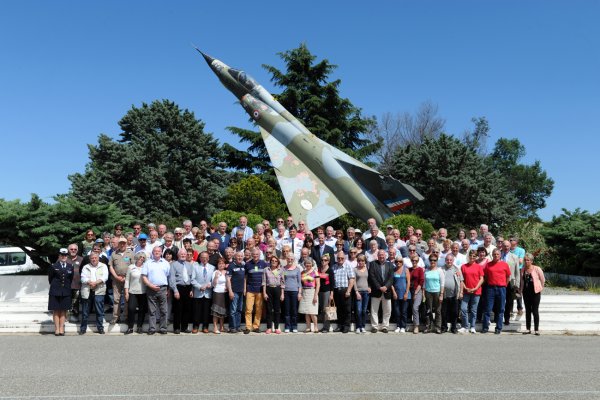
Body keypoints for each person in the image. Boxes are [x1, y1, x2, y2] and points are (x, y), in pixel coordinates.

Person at [141, 246, 170, 335]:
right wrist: (150, 285)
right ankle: (152, 328)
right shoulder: (147, 263)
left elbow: (168, 277)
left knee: (164, 310)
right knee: (152, 310)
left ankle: (163, 328)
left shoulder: (165, 263)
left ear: (161, 252)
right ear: (152, 252)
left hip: (163, 288)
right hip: (151, 288)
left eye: (159, 251)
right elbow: (144, 276)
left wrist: (168, 289)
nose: (157, 252)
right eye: (155, 251)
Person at [482, 249, 511, 334]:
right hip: (490, 288)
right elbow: (486, 276)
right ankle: (485, 327)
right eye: (494, 254)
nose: (496, 256)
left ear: (500, 255)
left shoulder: (504, 265)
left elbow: (508, 277)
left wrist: (504, 285)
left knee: (500, 309)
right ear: (492, 255)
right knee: (488, 309)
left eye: (498, 254)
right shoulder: (488, 265)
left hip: (501, 288)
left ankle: (498, 328)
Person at [79, 252, 109, 335]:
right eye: (92, 258)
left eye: (95, 258)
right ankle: (83, 328)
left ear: (98, 258)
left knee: (99, 311)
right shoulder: (86, 267)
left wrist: (95, 283)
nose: (94, 259)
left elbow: (105, 277)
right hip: (87, 291)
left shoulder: (103, 266)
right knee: (85, 312)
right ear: (90, 259)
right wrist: (89, 282)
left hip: (99, 290)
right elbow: (82, 278)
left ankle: (100, 328)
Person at [108, 237, 135, 324]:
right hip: (116, 279)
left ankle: (126, 316)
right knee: (116, 299)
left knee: (127, 298)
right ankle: (116, 317)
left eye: (124, 243)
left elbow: (133, 267)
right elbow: (111, 266)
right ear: (118, 244)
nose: (122, 245)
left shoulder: (131, 253)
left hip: (127, 279)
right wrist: (116, 276)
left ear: (126, 244)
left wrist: (126, 277)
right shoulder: (113, 254)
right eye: (121, 243)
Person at [48, 248, 73, 336]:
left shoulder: (70, 266)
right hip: (55, 291)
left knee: (63, 310)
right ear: (59, 256)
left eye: (65, 255)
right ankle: (57, 328)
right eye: (62, 255)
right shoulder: (53, 266)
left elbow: (70, 278)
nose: (63, 257)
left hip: (66, 291)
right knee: (56, 310)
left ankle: (61, 328)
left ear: (67, 256)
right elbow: (50, 279)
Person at [459, 249, 485, 334]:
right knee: (463, 308)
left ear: (476, 257)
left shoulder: (479, 267)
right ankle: (465, 326)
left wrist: (475, 288)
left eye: (474, 256)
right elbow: (461, 279)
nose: (472, 257)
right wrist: (465, 288)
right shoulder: (463, 266)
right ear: (468, 256)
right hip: (466, 291)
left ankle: (473, 326)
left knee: (473, 310)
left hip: (476, 291)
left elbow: (482, 279)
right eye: (471, 256)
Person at [368, 250, 394, 333]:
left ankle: (385, 326)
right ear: (377, 256)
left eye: (383, 255)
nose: (381, 256)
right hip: (376, 291)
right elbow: (372, 277)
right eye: (380, 255)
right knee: (374, 310)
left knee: (387, 310)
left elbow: (391, 278)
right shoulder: (373, 264)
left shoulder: (390, 264)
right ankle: (374, 326)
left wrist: (386, 286)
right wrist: (379, 287)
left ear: (385, 256)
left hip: (387, 291)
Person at [169, 249, 194, 334]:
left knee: (187, 309)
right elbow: (172, 279)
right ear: (178, 255)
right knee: (178, 309)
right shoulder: (173, 265)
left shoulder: (189, 265)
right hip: (178, 288)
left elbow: (191, 278)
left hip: (188, 288)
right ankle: (176, 328)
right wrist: (175, 291)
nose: (183, 255)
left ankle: (184, 327)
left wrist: (191, 289)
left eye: (184, 254)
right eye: (181, 254)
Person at [520, 253, 545, 335]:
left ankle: (536, 329)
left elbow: (542, 279)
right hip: (526, 292)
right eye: (525, 260)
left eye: (528, 260)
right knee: (527, 310)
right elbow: (522, 281)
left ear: (531, 261)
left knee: (535, 310)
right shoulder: (523, 270)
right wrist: (520, 290)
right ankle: (528, 328)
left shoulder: (537, 269)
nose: (526, 261)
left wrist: (540, 288)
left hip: (535, 292)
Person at [244, 248, 267, 334]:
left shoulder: (264, 264)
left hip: (260, 290)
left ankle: (256, 326)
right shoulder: (247, 264)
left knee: (258, 309)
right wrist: (245, 288)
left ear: (259, 255)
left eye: (257, 254)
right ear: (251, 255)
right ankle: (248, 327)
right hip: (250, 289)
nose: (255, 256)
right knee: (248, 309)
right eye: (254, 254)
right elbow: (245, 277)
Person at [191, 251, 214, 334]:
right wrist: (199, 287)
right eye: (203, 257)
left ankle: (205, 326)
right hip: (198, 292)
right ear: (200, 258)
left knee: (206, 311)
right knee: (197, 311)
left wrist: (209, 285)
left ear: (208, 258)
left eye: (206, 257)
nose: (204, 259)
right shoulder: (195, 266)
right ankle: (195, 327)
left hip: (208, 292)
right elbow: (192, 279)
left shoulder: (212, 267)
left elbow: (214, 280)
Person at [332, 251, 355, 333]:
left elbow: (352, 279)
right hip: (336, 290)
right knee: (339, 309)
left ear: (344, 258)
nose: (340, 259)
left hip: (345, 290)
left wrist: (348, 290)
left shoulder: (348, 266)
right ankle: (340, 325)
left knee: (347, 309)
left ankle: (346, 326)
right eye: (338, 258)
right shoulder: (334, 267)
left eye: (342, 258)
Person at [124, 252, 147, 334]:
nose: (141, 258)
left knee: (142, 310)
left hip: (143, 292)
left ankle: (139, 327)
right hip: (132, 291)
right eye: (140, 257)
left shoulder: (146, 267)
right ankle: (130, 327)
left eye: (143, 257)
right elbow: (127, 280)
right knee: (131, 309)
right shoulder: (131, 267)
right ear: (137, 257)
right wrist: (126, 292)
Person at [441, 253, 463, 334]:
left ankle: (454, 327)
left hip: (454, 295)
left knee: (454, 313)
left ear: (453, 261)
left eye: (450, 260)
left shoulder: (457, 269)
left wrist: (461, 292)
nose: (449, 261)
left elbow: (461, 281)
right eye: (447, 260)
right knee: (444, 312)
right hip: (444, 295)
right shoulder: (441, 269)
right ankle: (444, 327)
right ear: (445, 260)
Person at [263, 256, 285, 334]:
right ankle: (269, 327)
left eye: (275, 261)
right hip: (269, 289)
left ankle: (276, 327)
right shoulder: (266, 269)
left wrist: (282, 294)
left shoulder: (280, 270)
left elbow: (282, 283)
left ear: (278, 262)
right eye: (272, 260)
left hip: (277, 289)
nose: (274, 262)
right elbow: (264, 282)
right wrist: (264, 293)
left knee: (277, 309)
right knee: (269, 309)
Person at [424, 255, 445, 334]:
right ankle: (428, 327)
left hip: (437, 292)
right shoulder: (426, 271)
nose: (433, 262)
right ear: (429, 261)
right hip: (428, 292)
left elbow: (442, 283)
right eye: (431, 260)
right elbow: (424, 284)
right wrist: (423, 294)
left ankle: (438, 327)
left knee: (438, 311)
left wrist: (441, 294)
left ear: (437, 261)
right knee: (428, 310)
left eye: (434, 260)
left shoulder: (439, 271)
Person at [299, 256, 320, 333]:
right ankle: (308, 327)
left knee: (312, 312)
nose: (308, 265)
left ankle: (315, 327)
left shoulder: (315, 272)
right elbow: (300, 284)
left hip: (312, 292)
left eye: (309, 263)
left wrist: (315, 295)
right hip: (304, 292)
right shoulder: (302, 272)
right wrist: (300, 293)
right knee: (306, 311)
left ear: (312, 264)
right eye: (306, 263)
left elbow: (318, 284)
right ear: (304, 264)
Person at [226, 252, 246, 333]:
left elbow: (245, 278)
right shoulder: (231, 266)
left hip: (241, 291)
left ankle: (237, 326)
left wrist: (244, 289)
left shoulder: (243, 266)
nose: (240, 257)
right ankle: (232, 327)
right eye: (238, 256)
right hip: (234, 291)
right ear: (235, 256)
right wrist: (230, 291)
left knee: (239, 310)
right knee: (233, 310)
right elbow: (228, 279)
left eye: (241, 256)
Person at [283, 255, 302, 333]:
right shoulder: (283, 269)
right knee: (287, 310)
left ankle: (294, 326)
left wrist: (299, 293)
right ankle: (287, 326)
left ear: (293, 260)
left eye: (291, 259)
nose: (289, 260)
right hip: (286, 291)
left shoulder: (297, 269)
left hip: (295, 291)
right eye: (288, 259)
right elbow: (281, 280)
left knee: (294, 310)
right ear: (286, 259)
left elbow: (299, 282)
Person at [391, 255, 411, 333]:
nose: (398, 263)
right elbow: (391, 283)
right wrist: (394, 292)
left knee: (404, 311)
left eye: (400, 261)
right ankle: (398, 326)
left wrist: (406, 293)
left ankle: (403, 326)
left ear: (402, 262)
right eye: (396, 261)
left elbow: (408, 282)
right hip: (396, 294)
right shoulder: (393, 270)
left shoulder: (406, 270)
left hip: (405, 294)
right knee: (397, 311)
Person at [211, 258, 228, 334]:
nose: (221, 265)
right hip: (217, 292)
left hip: (224, 293)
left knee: (223, 310)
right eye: (219, 263)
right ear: (217, 265)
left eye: (223, 263)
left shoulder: (227, 272)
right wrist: (216, 277)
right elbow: (213, 284)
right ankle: (215, 327)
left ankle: (222, 327)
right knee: (216, 311)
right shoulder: (215, 272)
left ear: (225, 264)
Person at [353, 255, 370, 333]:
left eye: (362, 261)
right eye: (359, 261)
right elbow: (354, 281)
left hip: (366, 292)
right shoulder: (355, 269)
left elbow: (370, 279)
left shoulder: (367, 269)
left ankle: (363, 326)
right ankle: (358, 326)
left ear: (365, 261)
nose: (361, 262)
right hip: (359, 292)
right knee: (358, 310)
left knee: (364, 310)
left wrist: (370, 287)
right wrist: (356, 292)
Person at [408, 256, 424, 334]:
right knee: (412, 308)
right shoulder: (409, 269)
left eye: (416, 260)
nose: (414, 262)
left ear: (418, 261)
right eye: (413, 260)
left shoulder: (420, 269)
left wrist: (416, 292)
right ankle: (414, 321)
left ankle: (416, 326)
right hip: (410, 290)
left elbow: (421, 282)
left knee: (415, 308)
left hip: (417, 290)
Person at [66, 244, 83, 319]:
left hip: (77, 285)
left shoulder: (82, 259)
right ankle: (65, 317)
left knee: (76, 302)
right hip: (66, 285)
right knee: (66, 301)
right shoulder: (63, 258)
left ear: (77, 250)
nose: (73, 250)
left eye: (75, 249)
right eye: (71, 249)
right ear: (68, 250)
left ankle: (76, 317)